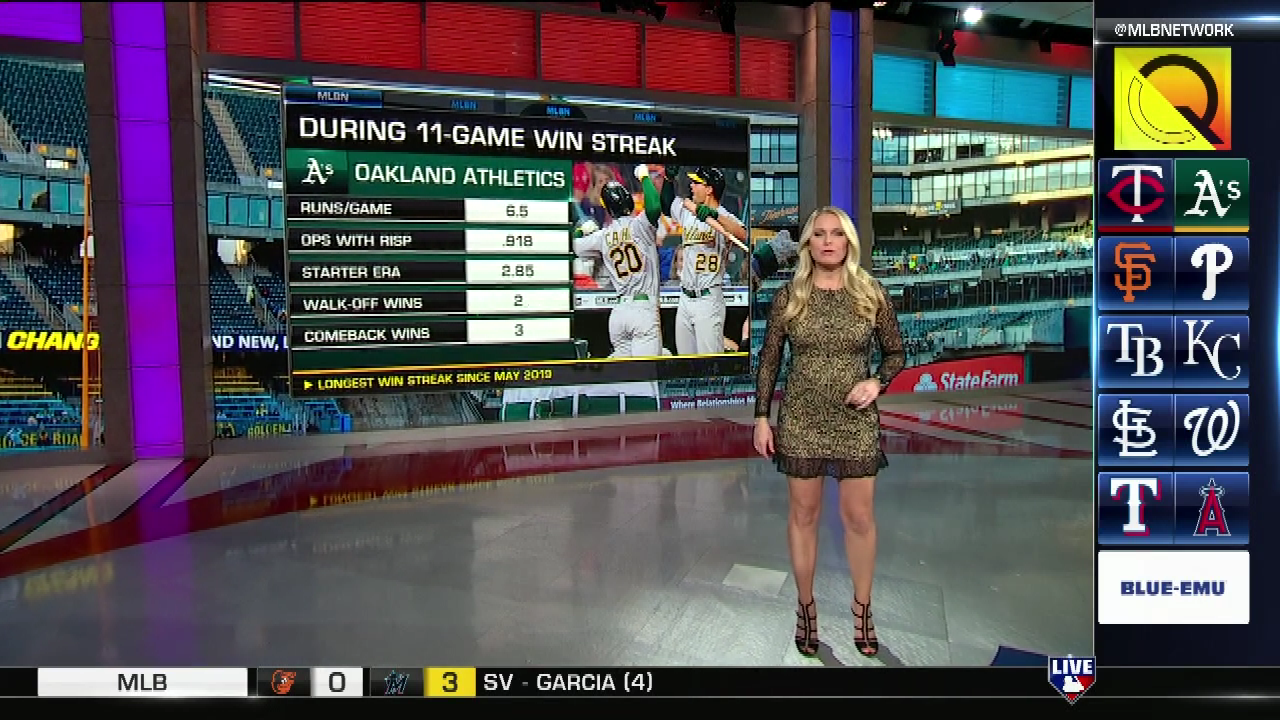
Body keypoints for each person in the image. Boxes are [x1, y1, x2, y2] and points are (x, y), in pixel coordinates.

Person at [752, 206, 905, 659]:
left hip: (855, 421)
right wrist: (761, 417)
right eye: (819, 234)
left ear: (848, 242)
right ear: (808, 244)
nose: (828, 241)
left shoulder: (870, 292)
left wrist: (877, 382)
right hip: (801, 418)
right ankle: (805, 608)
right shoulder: (790, 295)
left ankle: (863, 610)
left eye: (836, 234)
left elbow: (895, 352)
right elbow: (769, 360)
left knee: (859, 518)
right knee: (804, 516)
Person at [572, 169, 663, 358]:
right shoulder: (639, 225)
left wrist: (579, 231)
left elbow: (574, 246)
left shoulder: (603, 235)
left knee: (624, 374)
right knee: (645, 374)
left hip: (619, 313)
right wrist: (644, 178)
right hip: (643, 309)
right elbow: (654, 207)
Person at [661, 165, 748, 355]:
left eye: (697, 183)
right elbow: (667, 205)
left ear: (709, 189)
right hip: (685, 297)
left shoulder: (724, 216)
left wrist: (714, 215)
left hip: (708, 298)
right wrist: (668, 180)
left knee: (709, 364)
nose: (692, 186)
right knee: (685, 361)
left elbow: (743, 234)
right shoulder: (688, 210)